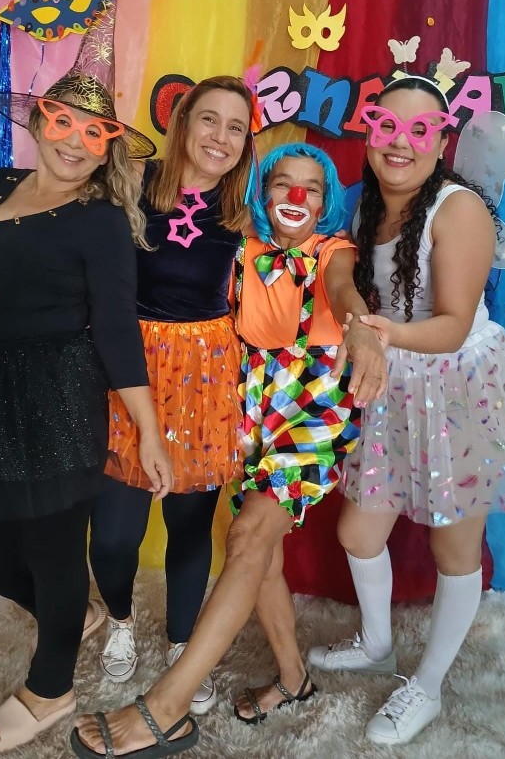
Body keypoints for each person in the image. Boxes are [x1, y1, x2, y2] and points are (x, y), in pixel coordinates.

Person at [70, 142, 387, 758]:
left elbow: (344, 289)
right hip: (245, 409)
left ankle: (166, 708)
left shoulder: (333, 250)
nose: (297, 196)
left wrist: (361, 329)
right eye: (283, 182)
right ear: (262, 193)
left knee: (245, 539)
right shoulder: (244, 246)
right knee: (259, 555)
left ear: (326, 201)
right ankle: (294, 680)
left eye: (313, 187)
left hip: (311, 415)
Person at [0, 42, 172, 752]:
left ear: (108, 146)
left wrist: (149, 431)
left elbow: (116, 331)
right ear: (40, 121)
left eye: (94, 132)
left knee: (54, 549)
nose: (75, 141)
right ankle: (77, 614)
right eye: (64, 122)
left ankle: (52, 687)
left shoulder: (99, 221)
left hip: (59, 393)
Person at [307, 76, 505, 746]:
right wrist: (361, 323)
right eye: (388, 127)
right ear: (369, 133)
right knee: (359, 532)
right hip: (394, 381)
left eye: (420, 131)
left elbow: (451, 325)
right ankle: (377, 643)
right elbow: (340, 273)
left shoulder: (457, 208)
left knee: (453, 545)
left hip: (459, 387)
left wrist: (372, 333)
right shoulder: (366, 206)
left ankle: (429, 685)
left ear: (441, 143)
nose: (401, 143)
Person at [87, 75, 253, 713]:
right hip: (128, 367)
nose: (220, 137)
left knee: (190, 525)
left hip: (204, 376)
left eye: (235, 128)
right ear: (182, 122)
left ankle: (186, 647)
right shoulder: (128, 181)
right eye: (209, 119)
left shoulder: (245, 214)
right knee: (113, 535)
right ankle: (120, 619)